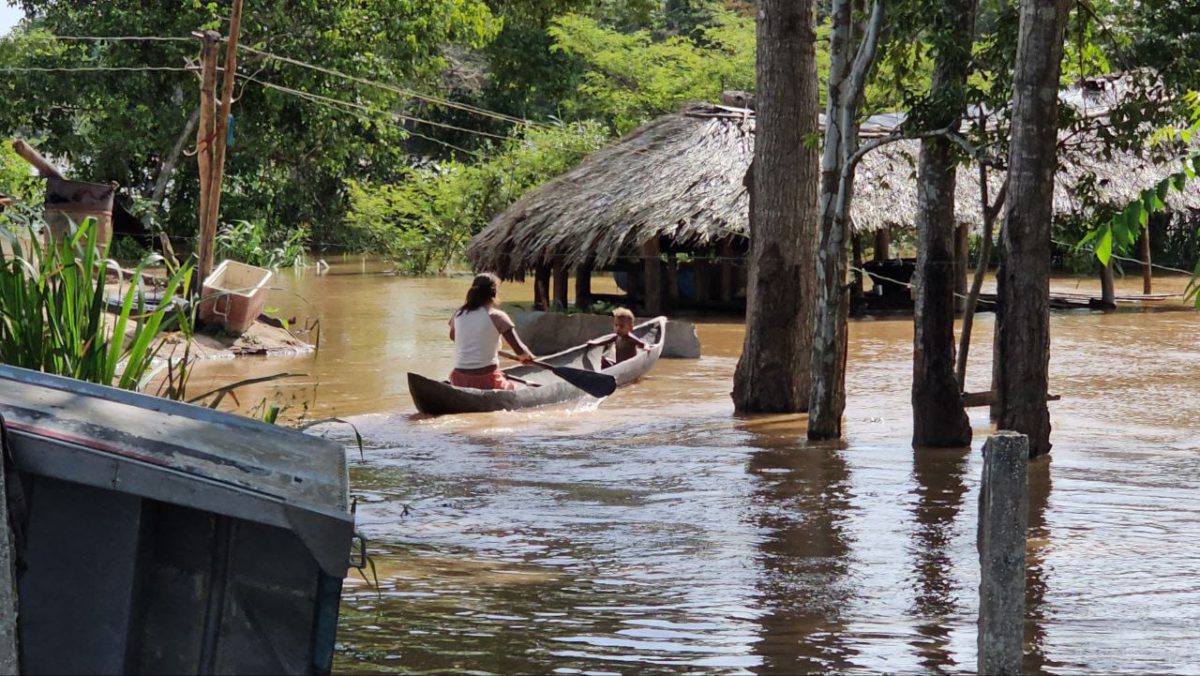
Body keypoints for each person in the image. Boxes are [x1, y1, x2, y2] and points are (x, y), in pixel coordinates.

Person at [448, 273, 535, 390]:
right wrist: (527, 356)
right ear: (494, 292)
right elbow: (520, 350)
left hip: (459, 379)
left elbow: (453, 337)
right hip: (487, 379)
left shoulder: (458, 314)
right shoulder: (497, 316)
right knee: (513, 388)